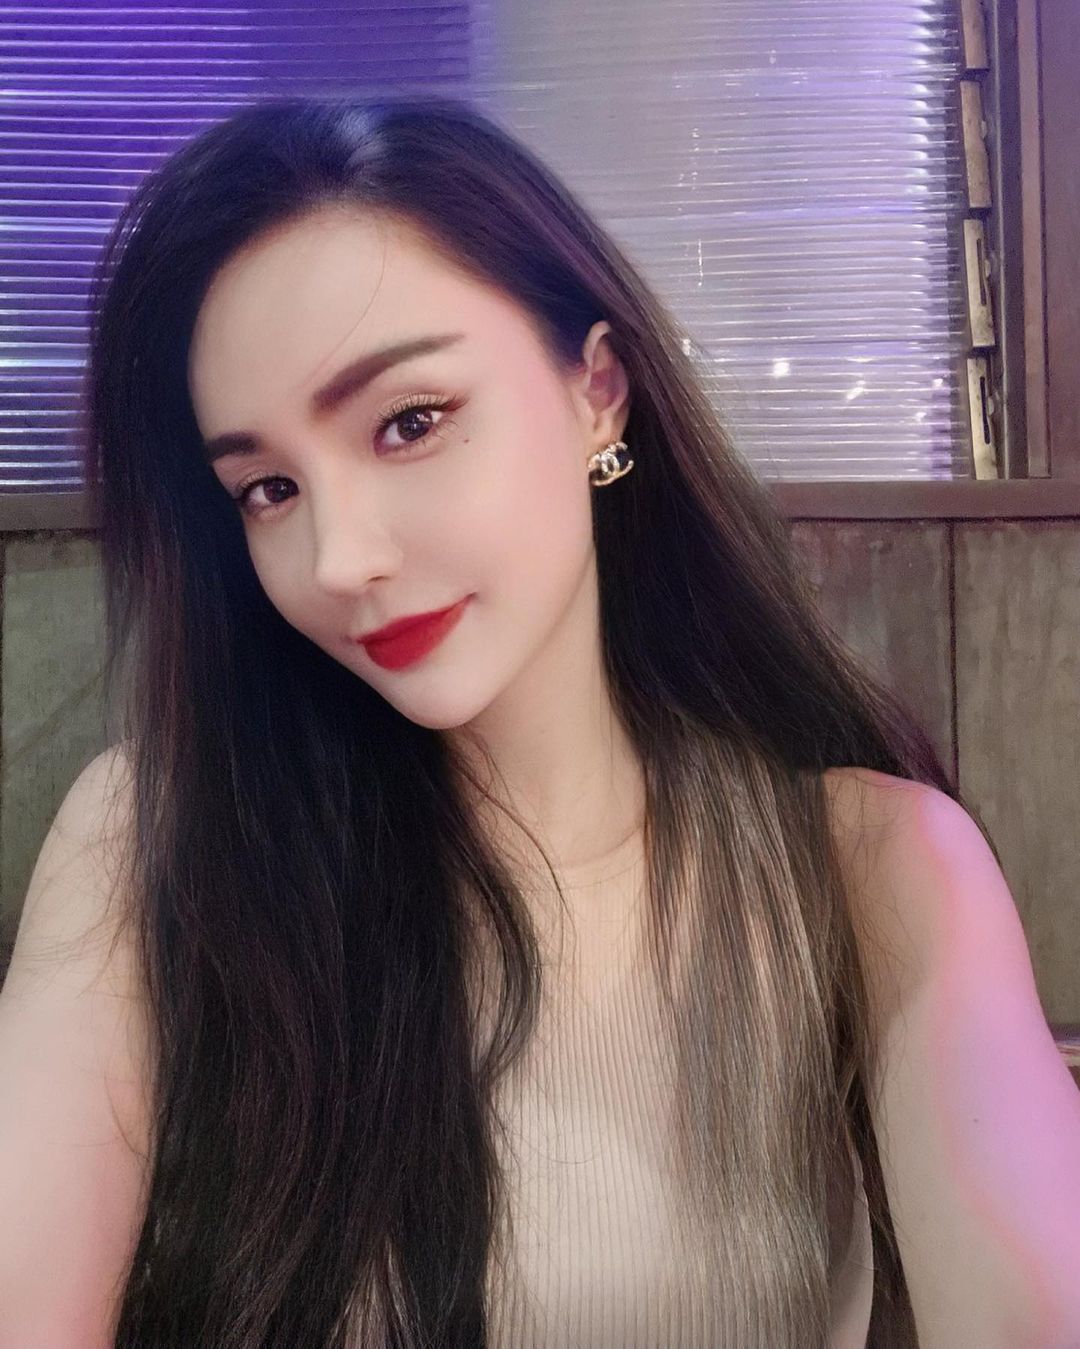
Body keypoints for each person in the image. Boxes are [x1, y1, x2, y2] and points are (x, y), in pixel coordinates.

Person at [2, 95, 1078, 1349]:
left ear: (597, 394)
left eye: (410, 422)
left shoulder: (870, 869)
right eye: (269, 488)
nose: (339, 558)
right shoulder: (155, 845)